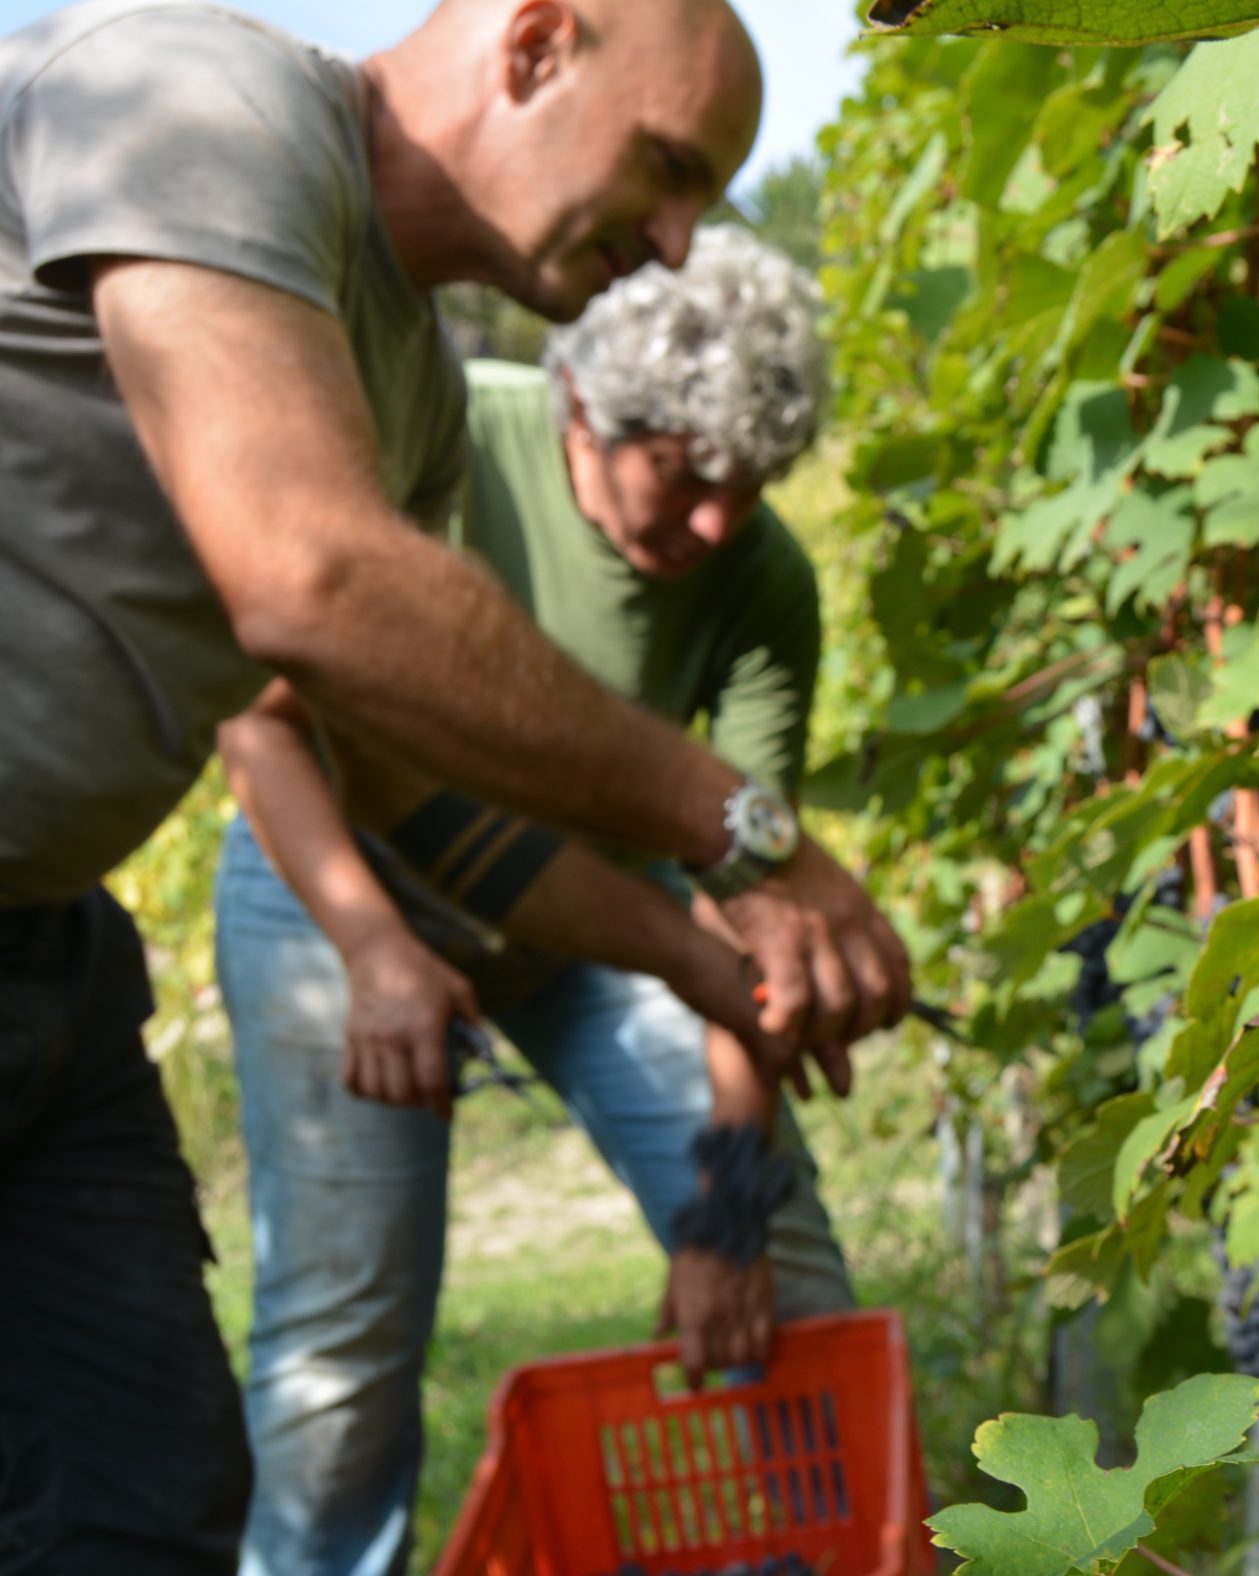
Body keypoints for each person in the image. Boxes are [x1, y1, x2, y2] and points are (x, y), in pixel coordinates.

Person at [0, 3, 908, 1569]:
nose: (679, 242)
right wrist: (737, 835)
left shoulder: (403, 392)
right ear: (537, 44)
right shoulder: (200, 94)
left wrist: (700, 958)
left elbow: (415, 796)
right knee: (323, 1373)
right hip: (194, 928)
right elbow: (312, 584)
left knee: (148, 1494)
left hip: (46, 957)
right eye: (668, 165)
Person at [214, 226, 855, 1576]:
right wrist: (374, 948)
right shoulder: (450, 441)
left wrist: (723, 1219)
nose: (718, 523)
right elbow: (262, 723)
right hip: (337, 890)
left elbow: (743, 908)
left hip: (600, 920)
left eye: (751, 485)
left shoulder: (762, 582)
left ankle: (818, 1551)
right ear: (582, 409)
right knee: (340, 1351)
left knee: (780, 1259)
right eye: (686, 473)